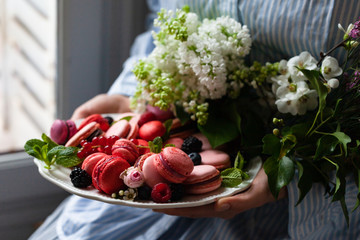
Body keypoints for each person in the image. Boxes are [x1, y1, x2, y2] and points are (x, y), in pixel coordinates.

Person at [29, 0, 360, 239]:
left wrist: (297, 175)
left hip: (301, 216)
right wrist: (138, 94)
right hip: (134, 206)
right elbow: (160, 23)